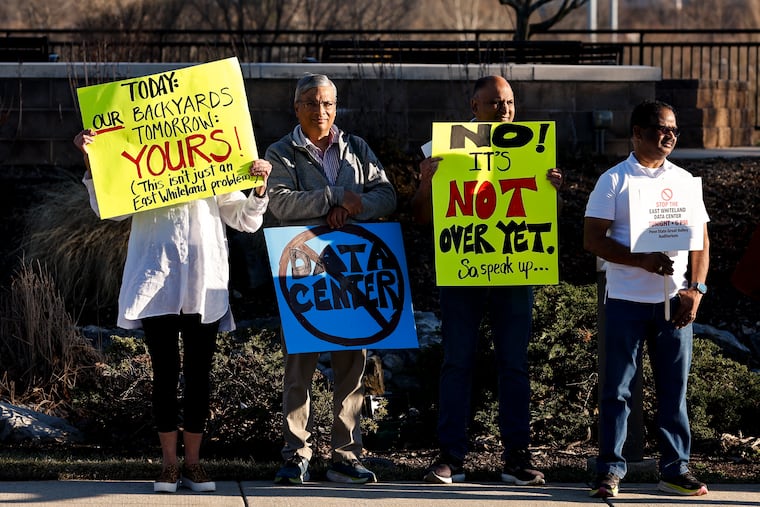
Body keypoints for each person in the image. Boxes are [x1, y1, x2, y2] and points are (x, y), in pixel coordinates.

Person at [74, 128, 272, 494]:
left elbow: (245, 220)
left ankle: (194, 465)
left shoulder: (214, 160)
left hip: (203, 282)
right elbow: (109, 209)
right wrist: (92, 158)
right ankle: (168, 466)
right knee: (164, 374)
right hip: (158, 282)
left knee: (199, 376)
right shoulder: (146, 164)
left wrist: (258, 188)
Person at [411, 75, 561, 485]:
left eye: (510, 103)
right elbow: (420, 217)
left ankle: (517, 457)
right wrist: (426, 181)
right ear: (473, 107)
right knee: (457, 362)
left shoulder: (533, 149)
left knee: (514, 365)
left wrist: (551, 191)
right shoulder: (444, 150)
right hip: (464, 274)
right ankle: (451, 458)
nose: (505, 111)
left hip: (515, 275)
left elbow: (538, 218)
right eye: (495, 103)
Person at [265, 73, 397, 485]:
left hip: (354, 271)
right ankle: (296, 454)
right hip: (303, 272)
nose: (320, 111)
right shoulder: (281, 152)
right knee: (299, 367)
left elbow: (386, 195)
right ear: (296, 107)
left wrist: (352, 208)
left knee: (352, 369)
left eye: (327, 104)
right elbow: (280, 204)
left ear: (336, 107)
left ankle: (346, 455)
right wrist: (334, 197)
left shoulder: (356, 148)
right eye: (311, 103)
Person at [583, 99, 710, 498]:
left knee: (675, 388)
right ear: (637, 133)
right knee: (617, 390)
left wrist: (697, 289)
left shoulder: (686, 181)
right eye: (660, 128)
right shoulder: (614, 181)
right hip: (625, 300)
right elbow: (592, 239)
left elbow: (702, 241)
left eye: (674, 128)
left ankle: (675, 469)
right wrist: (640, 260)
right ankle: (609, 470)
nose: (669, 135)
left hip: (675, 301)